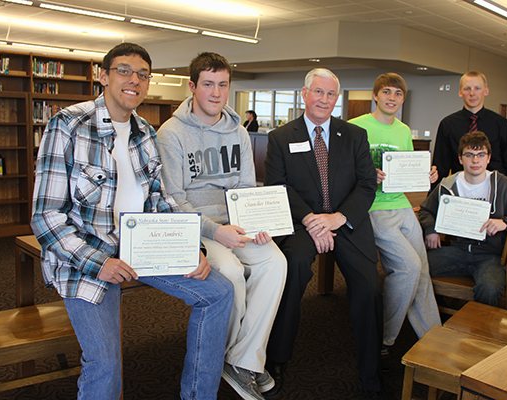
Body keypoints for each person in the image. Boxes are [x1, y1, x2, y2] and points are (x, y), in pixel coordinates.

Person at [30, 43, 234, 400]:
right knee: (106, 365)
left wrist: (191, 248)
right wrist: (101, 263)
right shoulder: (67, 125)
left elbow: (160, 200)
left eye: (143, 75)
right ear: (104, 76)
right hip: (88, 258)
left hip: (142, 246)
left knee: (219, 292)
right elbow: (46, 218)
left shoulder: (146, 132)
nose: (134, 80)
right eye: (124, 71)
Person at [157, 52, 287, 400]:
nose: (216, 93)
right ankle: (228, 358)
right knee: (229, 271)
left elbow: (246, 187)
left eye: (223, 85)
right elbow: (174, 201)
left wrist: (255, 221)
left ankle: (243, 360)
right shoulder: (171, 134)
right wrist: (217, 231)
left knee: (276, 263)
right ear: (192, 87)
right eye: (208, 84)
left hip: (236, 223)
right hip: (199, 228)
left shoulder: (239, 132)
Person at [264, 68, 386, 400]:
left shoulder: (355, 135)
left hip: (346, 220)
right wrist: (312, 220)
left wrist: (337, 218)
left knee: (369, 285)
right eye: (318, 92)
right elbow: (278, 187)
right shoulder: (280, 137)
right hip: (303, 222)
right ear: (304, 94)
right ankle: (277, 360)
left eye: (331, 94)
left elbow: (366, 184)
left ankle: (371, 372)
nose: (324, 100)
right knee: (294, 267)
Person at [348, 73, 441, 370]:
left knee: (422, 269)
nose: (392, 98)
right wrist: (365, 174)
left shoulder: (403, 130)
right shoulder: (356, 127)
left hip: (401, 205)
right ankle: (384, 338)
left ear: (402, 99)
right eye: (386, 92)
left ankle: (432, 335)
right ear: (375, 95)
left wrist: (424, 176)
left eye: (398, 94)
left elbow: (406, 172)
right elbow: (340, 170)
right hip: (371, 208)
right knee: (408, 267)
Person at [419, 131, 507, 306]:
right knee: (415, 269)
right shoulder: (448, 184)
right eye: (469, 155)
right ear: (460, 159)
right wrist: (430, 230)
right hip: (458, 251)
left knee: (489, 289)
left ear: (489, 158)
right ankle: (439, 317)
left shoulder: (505, 185)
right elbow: (425, 210)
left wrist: (506, 222)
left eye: (480, 155)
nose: (475, 161)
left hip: (491, 256)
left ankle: (478, 329)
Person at [432, 71, 507, 186]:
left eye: (477, 88)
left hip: (494, 186)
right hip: (460, 187)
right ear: (460, 92)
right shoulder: (448, 124)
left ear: (486, 91)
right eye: (467, 89)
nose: (472, 93)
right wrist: (435, 199)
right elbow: (441, 164)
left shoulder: (500, 123)